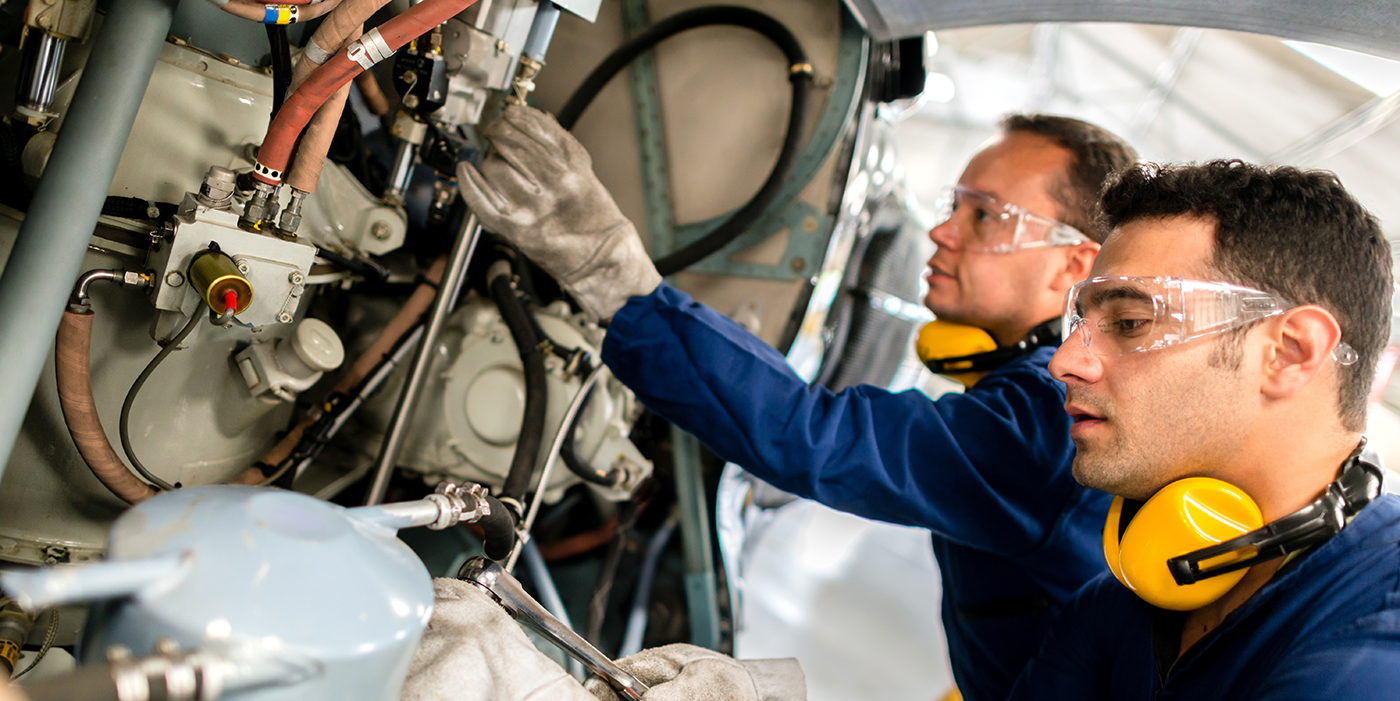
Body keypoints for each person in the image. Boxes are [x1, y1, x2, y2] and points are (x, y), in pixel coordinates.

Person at [451, 104, 1136, 701]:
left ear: (1075, 265)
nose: (942, 231)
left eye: (985, 215)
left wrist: (611, 273)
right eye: (952, 205)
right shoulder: (1039, 398)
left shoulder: (1048, 419)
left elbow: (817, 435)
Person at [1006, 160, 1398, 699]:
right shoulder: (1116, 610)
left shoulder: (1376, 641)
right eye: (1079, 325)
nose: (1065, 361)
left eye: (1128, 323)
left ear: (1289, 353)